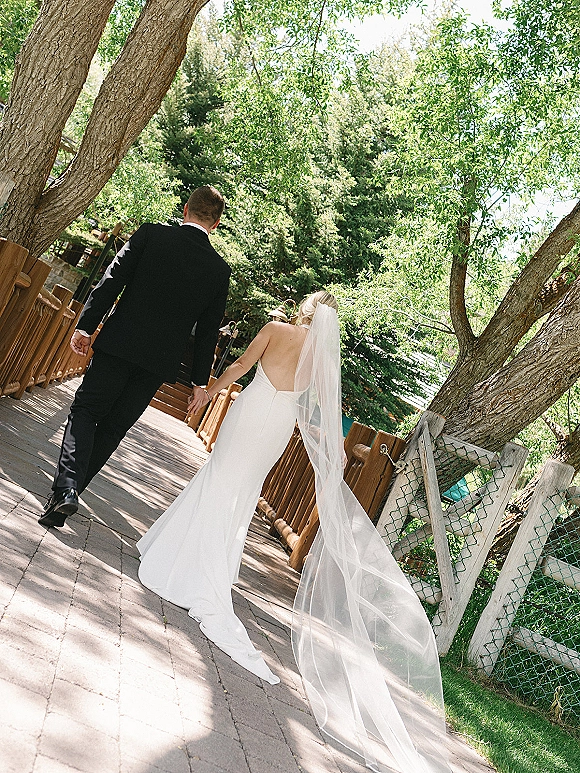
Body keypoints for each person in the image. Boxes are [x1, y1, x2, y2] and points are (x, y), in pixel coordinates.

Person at [137, 291, 450, 773]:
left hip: (249, 413)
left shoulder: (276, 330)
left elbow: (241, 366)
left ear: (304, 311)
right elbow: (324, 411)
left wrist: (209, 389)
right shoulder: (322, 357)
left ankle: (183, 559)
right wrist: (336, 451)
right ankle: (209, 567)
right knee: (241, 494)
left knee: (219, 480)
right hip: (278, 428)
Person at [39, 185, 231, 528]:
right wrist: (200, 382)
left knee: (85, 411)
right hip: (158, 362)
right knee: (113, 428)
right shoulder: (218, 270)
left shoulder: (151, 235)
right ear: (215, 224)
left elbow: (112, 280)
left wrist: (85, 327)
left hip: (118, 344)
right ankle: (67, 494)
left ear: (186, 209)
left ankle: (66, 489)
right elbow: (207, 332)